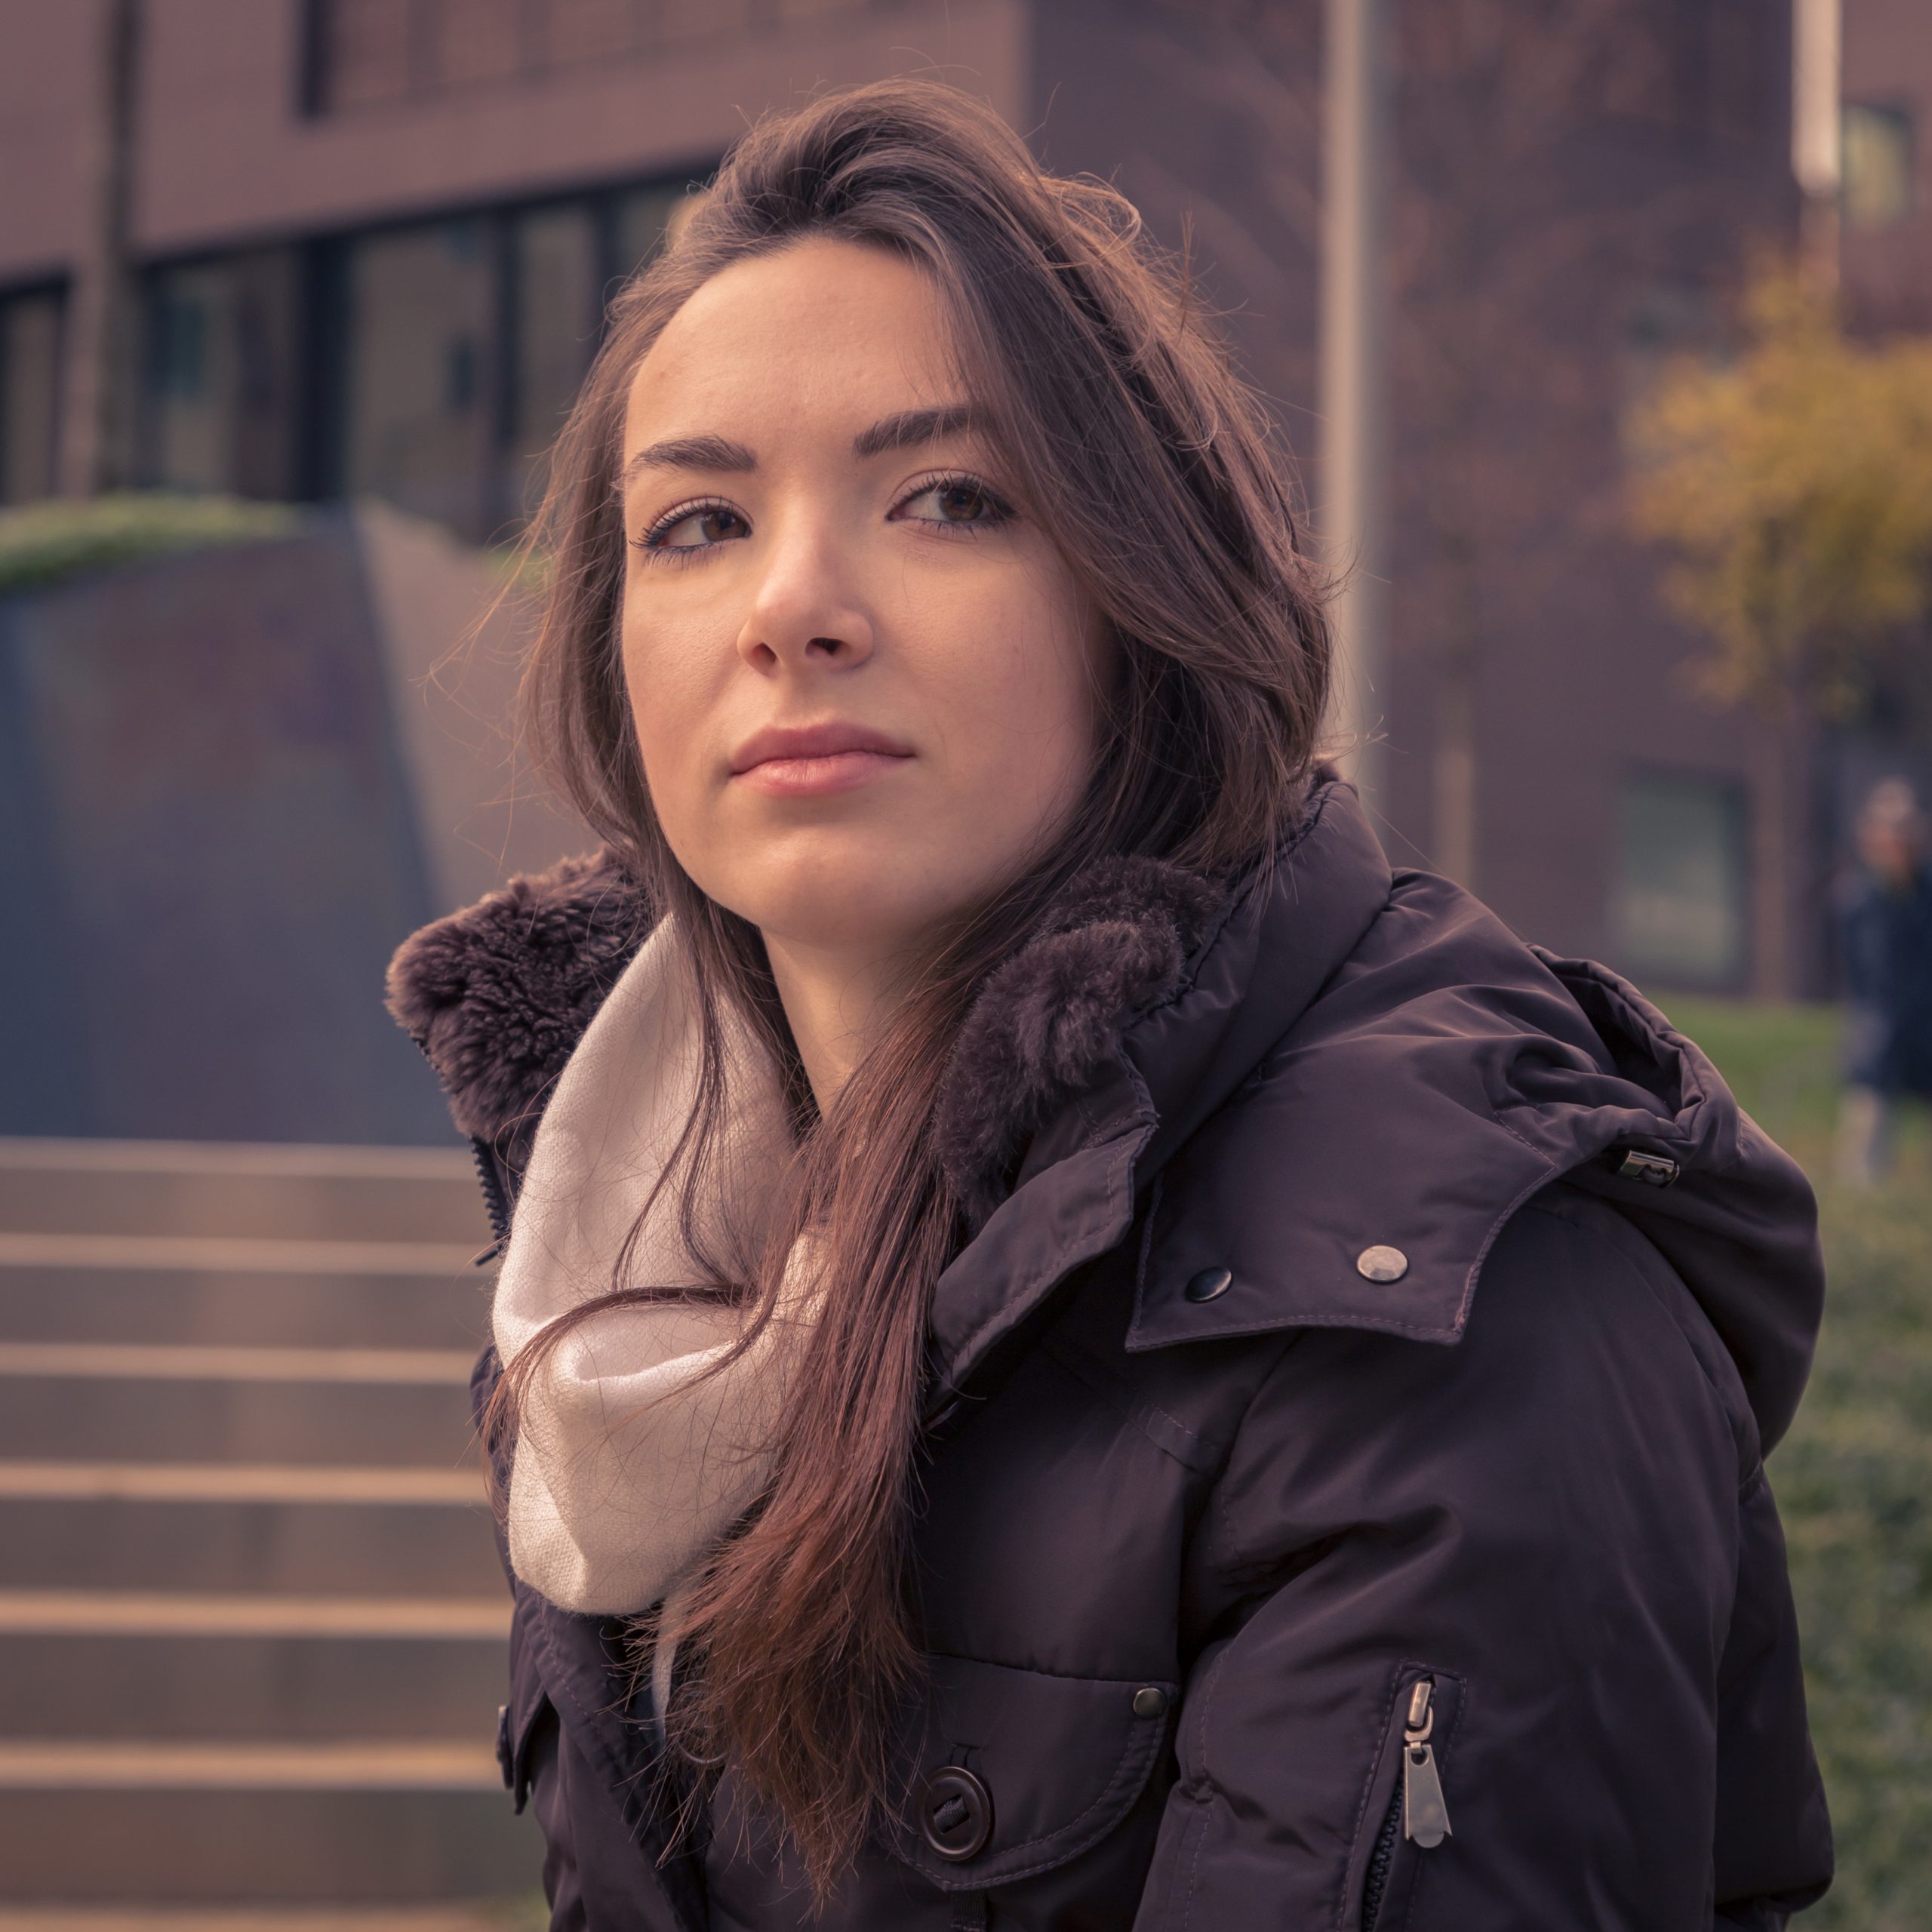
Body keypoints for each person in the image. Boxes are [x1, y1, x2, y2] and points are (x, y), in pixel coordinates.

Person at [388, 82, 1831, 1930]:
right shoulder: (622, 1269)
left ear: (1136, 596)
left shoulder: (1438, 1296)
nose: (792, 603)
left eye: (947, 499)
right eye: (696, 523)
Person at [1836, 778, 1932, 1187]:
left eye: (1903, 829)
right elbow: (1858, 976)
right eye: (1885, 830)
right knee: (1867, 1136)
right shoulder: (1857, 902)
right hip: (1880, 1034)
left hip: (1927, 1028)